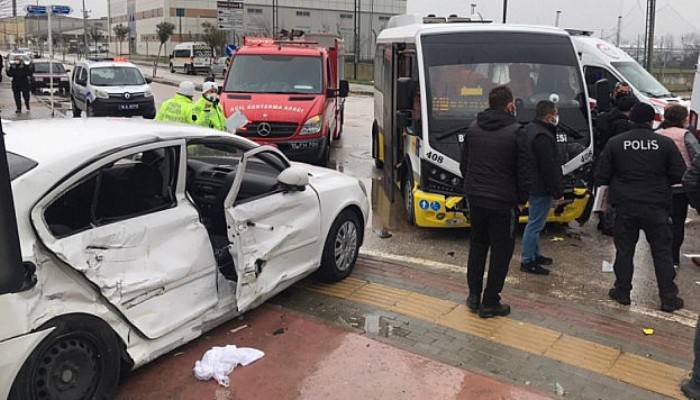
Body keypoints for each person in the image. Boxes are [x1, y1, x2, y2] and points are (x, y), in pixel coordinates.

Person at [596, 102, 686, 313]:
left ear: (631, 119)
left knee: (625, 250)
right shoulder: (663, 144)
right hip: (656, 206)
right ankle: (668, 298)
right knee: (662, 252)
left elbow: (602, 175)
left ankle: (622, 291)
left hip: (625, 205)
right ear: (651, 120)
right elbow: (679, 174)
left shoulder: (616, 143)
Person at [460, 85, 532, 319]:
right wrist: (522, 199)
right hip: (503, 202)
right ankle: (490, 301)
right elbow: (523, 171)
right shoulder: (517, 132)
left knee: (478, 245)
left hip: (476, 198)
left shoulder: (473, 128)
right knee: (501, 252)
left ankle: (473, 296)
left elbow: (465, 165)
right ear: (510, 105)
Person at [521, 101, 564, 276]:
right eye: (555, 113)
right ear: (548, 116)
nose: (557, 117)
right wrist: (557, 191)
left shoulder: (531, 129)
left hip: (533, 183)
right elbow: (549, 167)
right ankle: (527, 260)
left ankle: (534, 254)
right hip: (540, 186)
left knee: (535, 221)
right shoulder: (543, 137)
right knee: (535, 224)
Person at [657, 104, 700, 269]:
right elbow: (697, 157)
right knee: (677, 223)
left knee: (660, 222)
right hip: (680, 186)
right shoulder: (686, 135)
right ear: (683, 119)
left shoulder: (657, 134)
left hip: (660, 186)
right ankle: (673, 257)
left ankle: (661, 254)